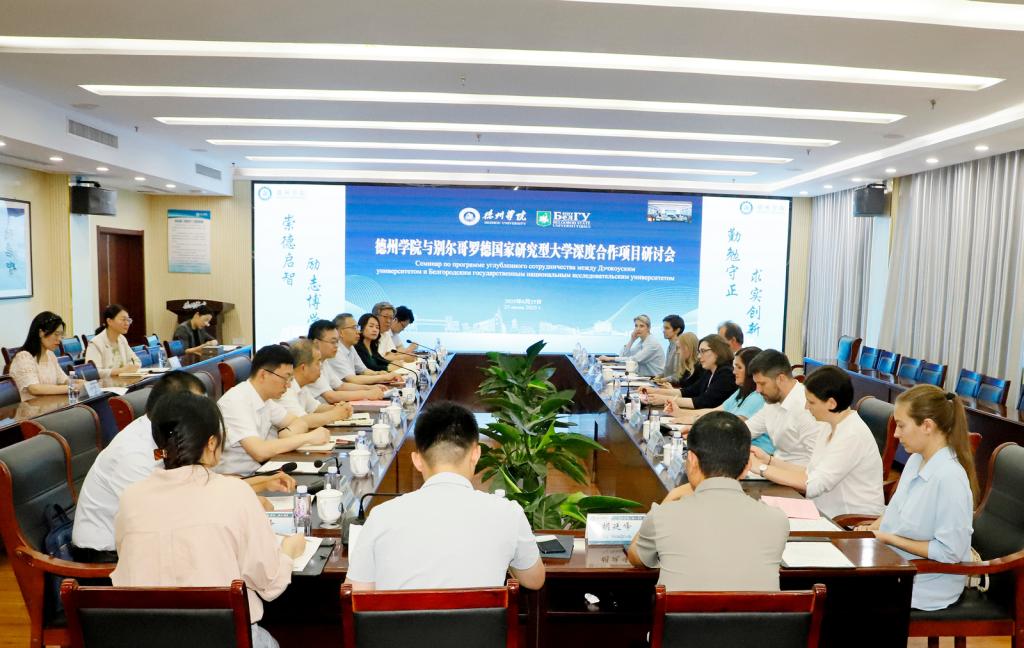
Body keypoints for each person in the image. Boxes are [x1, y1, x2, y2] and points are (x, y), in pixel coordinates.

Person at [112, 391, 306, 648]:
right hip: (221, 637)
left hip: (146, 637)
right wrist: (288, 551)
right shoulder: (235, 492)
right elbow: (269, 582)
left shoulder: (131, 497)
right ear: (212, 443)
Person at [72, 371, 296, 561]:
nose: (203, 413)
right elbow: (165, 517)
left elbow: (198, 486)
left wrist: (259, 483)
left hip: (154, 539)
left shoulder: (171, 434)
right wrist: (240, 504)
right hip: (108, 556)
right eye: (196, 406)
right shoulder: (133, 454)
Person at [346, 401, 545, 591]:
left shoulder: (381, 517)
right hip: (479, 618)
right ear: (476, 454)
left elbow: (356, 593)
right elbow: (534, 581)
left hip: (402, 617)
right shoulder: (508, 513)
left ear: (417, 460)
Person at [626, 411, 788, 591]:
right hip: (758, 611)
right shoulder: (777, 520)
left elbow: (636, 557)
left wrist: (671, 497)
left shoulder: (662, 516)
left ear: (692, 460)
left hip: (684, 611)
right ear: (746, 468)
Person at [855, 385, 978, 611]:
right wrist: (871, 530)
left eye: (901, 425)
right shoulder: (916, 460)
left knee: (839, 599)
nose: (895, 434)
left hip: (926, 582)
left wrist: (888, 538)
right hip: (895, 564)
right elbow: (895, 511)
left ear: (927, 426)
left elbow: (949, 552)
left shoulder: (950, 478)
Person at [751, 366, 884, 518]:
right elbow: (809, 473)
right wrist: (768, 461)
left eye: (811, 402)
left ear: (831, 403)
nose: (806, 407)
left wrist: (759, 467)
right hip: (825, 512)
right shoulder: (829, 425)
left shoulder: (852, 434)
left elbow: (813, 484)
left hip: (849, 522)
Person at [215, 345, 332, 475]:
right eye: (285, 378)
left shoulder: (266, 400)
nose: (288, 385)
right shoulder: (236, 401)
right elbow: (259, 452)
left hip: (260, 471)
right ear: (263, 375)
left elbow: (300, 422)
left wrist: (288, 433)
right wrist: (308, 438)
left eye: (290, 379)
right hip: (237, 478)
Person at [665, 346, 774, 454]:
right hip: (735, 447)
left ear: (752, 372)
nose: (734, 372)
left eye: (739, 367)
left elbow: (732, 427)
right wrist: (681, 412)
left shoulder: (757, 397)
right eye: (734, 367)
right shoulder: (741, 391)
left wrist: (698, 427)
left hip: (753, 452)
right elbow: (716, 412)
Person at [745, 350, 825, 465]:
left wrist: (768, 468)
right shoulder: (772, 401)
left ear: (781, 379)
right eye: (756, 383)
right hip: (776, 466)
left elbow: (819, 464)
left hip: (798, 473)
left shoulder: (807, 407)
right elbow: (746, 430)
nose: (758, 390)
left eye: (762, 384)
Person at [275, 339, 354, 426]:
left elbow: (316, 408)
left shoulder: (302, 386)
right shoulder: (285, 389)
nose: (321, 366)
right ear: (303, 368)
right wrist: (335, 414)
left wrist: (339, 408)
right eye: (317, 362)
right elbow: (302, 421)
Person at [308, 319, 389, 403]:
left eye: (337, 342)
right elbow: (331, 396)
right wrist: (367, 394)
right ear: (316, 343)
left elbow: (340, 386)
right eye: (333, 342)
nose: (336, 346)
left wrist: (370, 388)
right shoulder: (310, 364)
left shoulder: (324, 362)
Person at [650, 335, 735, 410]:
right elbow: (690, 391)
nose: (699, 356)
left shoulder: (726, 373)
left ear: (718, 351)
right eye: (699, 352)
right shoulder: (709, 371)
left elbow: (704, 401)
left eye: (703, 351)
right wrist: (654, 391)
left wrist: (664, 399)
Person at [10, 311, 80, 401]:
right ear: (41, 333)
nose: (59, 339)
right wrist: (71, 388)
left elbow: (63, 380)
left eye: (61, 335)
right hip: (32, 408)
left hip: (51, 405)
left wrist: (81, 383)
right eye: (56, 334)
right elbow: (34, 388)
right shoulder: (24, 357)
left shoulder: (50, 354)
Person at [326, 313, 397, 388]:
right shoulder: (335, 351)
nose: (358, 332)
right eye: (354, 328)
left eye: (357, 327)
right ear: (340, 332)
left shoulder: (350, 347)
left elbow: (363, 370)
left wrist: (377, 373)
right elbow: (352, 379)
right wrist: (383, 377)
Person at [85, 304, 141, 378]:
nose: (127, 323)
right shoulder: (96, 343)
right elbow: (93, 372)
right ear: (109, 321)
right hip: (105, 384)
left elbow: (136, 361)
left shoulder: (122, 339)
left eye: (128, 320)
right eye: (123, 320)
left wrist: (131, 367)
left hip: (123, 382)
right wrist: (122, 370)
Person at [659, 315, 685, 379]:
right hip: (667, 383)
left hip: (674, 384)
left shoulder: (680, 347)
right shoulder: (670, 345)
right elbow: (669, 370)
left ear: (677, 330)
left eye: (667, 328)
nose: (663, 331)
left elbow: (679, 374)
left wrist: (664, 379)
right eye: (663, 328)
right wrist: (661, 376)